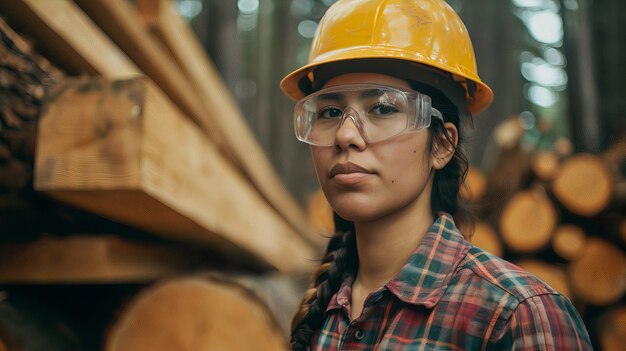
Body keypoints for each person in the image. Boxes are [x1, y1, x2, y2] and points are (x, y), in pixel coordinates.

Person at [279, 0, 593, 350]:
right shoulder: (323, 314)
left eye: (383, 108)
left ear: (442, 144)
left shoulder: (518, 315)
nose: (345, 135)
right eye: (330, 112)